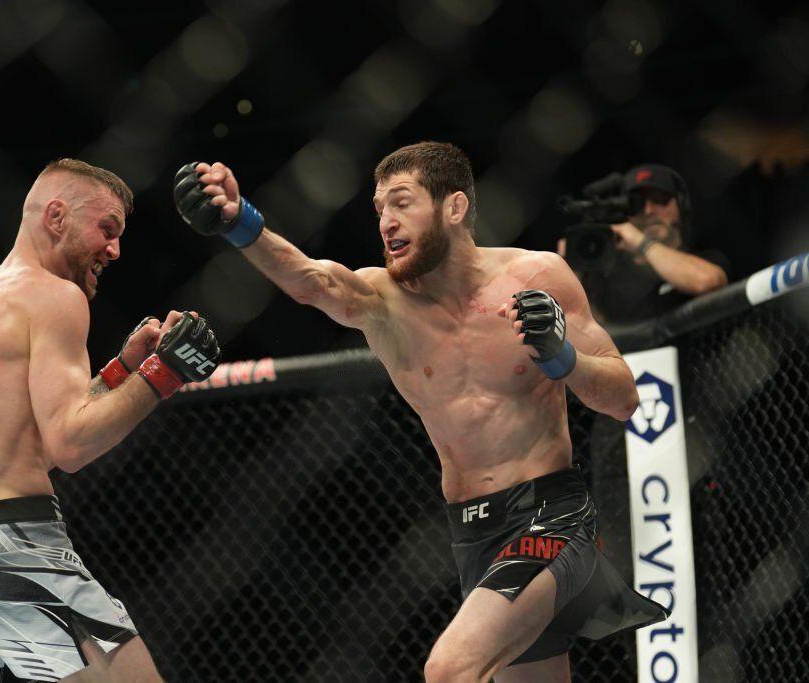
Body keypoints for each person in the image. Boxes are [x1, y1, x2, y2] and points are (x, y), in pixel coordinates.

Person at [173, 142, 668, 682]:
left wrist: (563, 357)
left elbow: (624, 398)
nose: (386, 222)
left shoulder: (536, 276)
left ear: (454, 208)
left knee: (450, 670)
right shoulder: (384, 300)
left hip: (551, 515)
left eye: (402, 203)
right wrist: (238, 222)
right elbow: (313, 280)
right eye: (379, 209)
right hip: (472, 533)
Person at [0, 158, 220, 683]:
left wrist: (125, 367)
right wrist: (164, 373)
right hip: (16, 539)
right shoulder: (57, 295)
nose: (115, 250)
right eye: (106, 229)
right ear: (56, 216)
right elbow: (70, 446)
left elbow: (30, 433)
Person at [559, 163, 729, 324]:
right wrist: (571, 279)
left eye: (660, 199)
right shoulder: (613, 280)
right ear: (627, 213)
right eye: (636, 204)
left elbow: (708, 282)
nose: (648, 211)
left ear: (680, 206)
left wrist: (640, 241)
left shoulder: (707, 260)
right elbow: (596, 331)